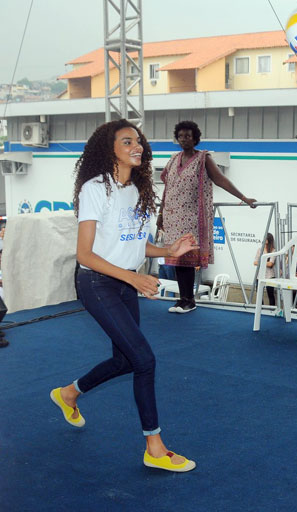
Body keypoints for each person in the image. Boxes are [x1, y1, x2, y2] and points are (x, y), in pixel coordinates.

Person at [50, 119, 199, 472]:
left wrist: (168, 250)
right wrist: (133, 278)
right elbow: (85, 254)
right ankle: (155, 448)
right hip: (97, 284)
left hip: (124, 282)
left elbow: (134, 243)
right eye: (127, 141)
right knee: (144, 360)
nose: (138, 147)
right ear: (109, 149)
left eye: (140, 142)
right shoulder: (94, 189)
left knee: (126, 360)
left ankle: (68, 394)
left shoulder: (139, 191)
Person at [157, 120, 256, 314]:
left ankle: (189, 300)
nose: (184, 139)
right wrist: (160, 213)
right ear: (176, 138)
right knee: (177, 260)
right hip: (173, 217)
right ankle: (182, 298)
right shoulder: (173, 159)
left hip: (192, 218)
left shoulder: (203, 158)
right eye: (181, 136)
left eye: (188, 136)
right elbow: (167, 188)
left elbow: (220, 179)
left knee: (187, 260)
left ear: (195, 138)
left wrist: (243, 198)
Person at [254, 232, 277, 305]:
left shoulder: (273, 251)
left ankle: (272, 310)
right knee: (259, 294)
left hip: (270, 276)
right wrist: (265, 262)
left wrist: (261, 262)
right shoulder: (260, 250)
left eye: (266, 238)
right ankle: (261, 309)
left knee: (270, 294)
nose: (264, 239)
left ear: (269, 240)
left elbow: (270, 264)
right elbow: (255, 262)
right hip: (260, 275)